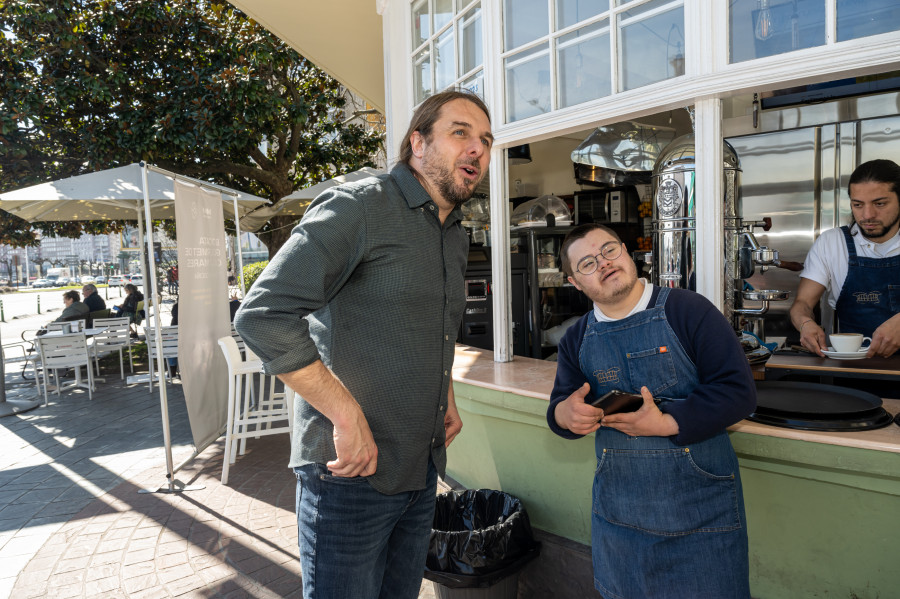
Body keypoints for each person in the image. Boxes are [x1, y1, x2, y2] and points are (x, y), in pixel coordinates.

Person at [234, 89, 492, 599]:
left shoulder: (454, 232)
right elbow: (263, 316)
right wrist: (347, 417)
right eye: (460, 132)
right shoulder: (360, 205)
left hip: (421, 467)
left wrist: (448, 399)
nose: (477, 150)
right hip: (350, 473)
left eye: (485, 140)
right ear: (417, 143)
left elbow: (435, 327)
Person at [547, 223, 756, 599]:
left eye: (609, 250)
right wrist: (567, 415)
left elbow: (738, 392)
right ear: (574, 282)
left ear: (627, 251)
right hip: (619, 525)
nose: (605, 263)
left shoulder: (688, 310)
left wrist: (666, 423)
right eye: (588, 263)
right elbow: (559, 410)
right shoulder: (576, 339)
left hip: (701, 521)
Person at [790, 159, 900, 358]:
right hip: (853, 376)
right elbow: (802, 303)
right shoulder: (831, 244)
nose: (867, 215)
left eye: (880, 203)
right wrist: (806, 324)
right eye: (858, 205)